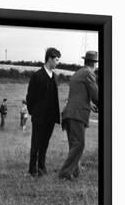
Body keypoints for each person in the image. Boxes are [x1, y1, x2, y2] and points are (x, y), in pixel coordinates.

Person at [59, 51, 99, 180]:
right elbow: (96, 95)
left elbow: (78, 95)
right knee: (79, 144)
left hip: (68, 112)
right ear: (94, 63)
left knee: (74, 144)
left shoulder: (77, 73)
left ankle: (75, 172)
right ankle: (65, 174)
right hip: (77, 114)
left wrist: (89, 104)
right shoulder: (89, 73)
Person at [26, 47, 61, 176]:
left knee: (45, 143)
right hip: (39, 117)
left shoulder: (55, 77)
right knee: (36, 143)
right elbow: (30, 97)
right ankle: (32, 170)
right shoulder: (37, 76)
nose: (58, 62)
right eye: (56, 60)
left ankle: (41, 168)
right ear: (50, 59)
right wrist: (34, 113)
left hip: (50, 118)